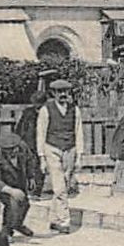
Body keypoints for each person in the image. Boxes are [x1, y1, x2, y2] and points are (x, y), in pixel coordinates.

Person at [35, 78, 83, 234]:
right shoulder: (45, 109)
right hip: (52, 148)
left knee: (64, 185)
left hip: (70, 149)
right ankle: (64, 222)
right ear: (53, 93)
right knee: (60, 187)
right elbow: (40, 134)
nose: (63, 94)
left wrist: (79, 156)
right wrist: (42, 157)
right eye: (59, 92)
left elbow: (79, 132)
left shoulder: (75, 110)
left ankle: (54, 219)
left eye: (65, 91)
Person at [0, 130, 35, 239]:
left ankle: (17, 224)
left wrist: (31, 177)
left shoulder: (23, 148)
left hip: (17, 182)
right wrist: (11, 191)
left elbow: (30, 161)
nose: (14, 152)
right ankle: (6, 231)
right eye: (10, 150)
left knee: (25, 204)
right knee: (12, 203)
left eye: (15, 148)